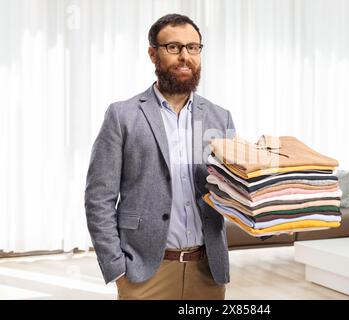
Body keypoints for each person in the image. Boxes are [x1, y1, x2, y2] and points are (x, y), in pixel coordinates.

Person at [84, 13, 236, 300]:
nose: (185, 56)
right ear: (153, 54)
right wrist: (117, 269)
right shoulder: (123, 116)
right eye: (173, 47)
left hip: (207, 271)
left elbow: (229, 190)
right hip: (144, 274)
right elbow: (98, 198)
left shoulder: (218, 117)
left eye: (193, 47)